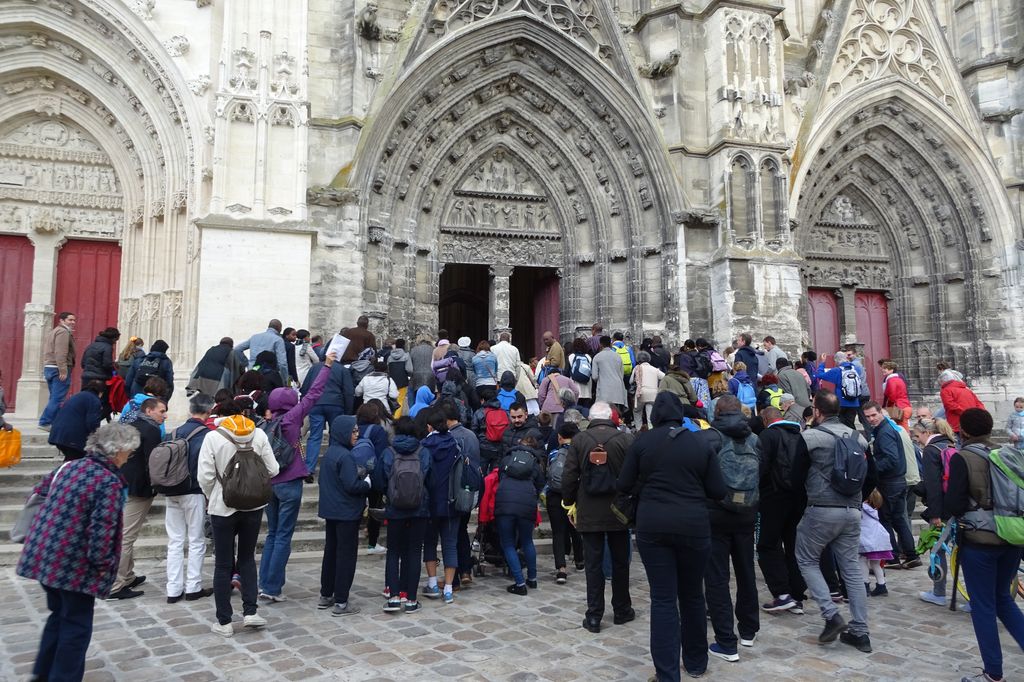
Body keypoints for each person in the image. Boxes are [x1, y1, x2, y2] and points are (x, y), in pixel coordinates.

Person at [17, 423, 137, 682]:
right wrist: (104, 565)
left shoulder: (70, 466)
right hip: (74, 566)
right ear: (118, 451)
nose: (129, 457)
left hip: (45, 555)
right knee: (76, 627)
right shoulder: (109, 481)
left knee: (58, 618)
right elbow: (102, 530)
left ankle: (43, 673)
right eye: (129, 451)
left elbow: (39, 494)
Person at [617, 392, 726, 680]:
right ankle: (695, 660)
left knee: (663, 599)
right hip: (693, 524)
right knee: (692, 595)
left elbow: (624, 483)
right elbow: (718, 490)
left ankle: (667, 673)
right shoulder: (700, 443)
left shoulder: (643, 442)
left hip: (653, 525)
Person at [945, 408, 1024, 682]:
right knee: (1003, 598)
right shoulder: (1010, 453)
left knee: (984, 607)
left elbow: (953, 504)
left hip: (979, 542)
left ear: (964, 431)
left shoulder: (963, 458)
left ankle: (993, 672)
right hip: (1012, 536)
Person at [796, 392, 873, 653]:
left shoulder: (809, 438)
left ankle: (831, 615)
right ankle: (860, 632)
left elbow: (794, 475)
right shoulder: (858, 438)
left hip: (821, 508)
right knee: (851, 568)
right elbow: (870, 475)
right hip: (852, 509)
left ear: (817, 411)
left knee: (806, 559)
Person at [259, 351, 336, 601]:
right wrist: (326, 366)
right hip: (290, 481)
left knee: (272, 534)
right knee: (283, 535)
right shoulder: (292, 419)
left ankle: (265, 582)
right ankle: (272, 587)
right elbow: (314, 394)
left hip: (269, 483)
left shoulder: (265, 424)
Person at [197, 409, 279, 636]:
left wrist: (212, 494)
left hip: (222, 507)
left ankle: (224, 621)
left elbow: (204, 476)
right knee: (247, 558)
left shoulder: (213, 437)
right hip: (253, 507)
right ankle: (250, 612)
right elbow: (273, 469)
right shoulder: (259, 435)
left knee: (223, 564)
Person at [561, 401, 635, 633]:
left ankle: (594, 615)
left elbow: (569, 476)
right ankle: (622, 609)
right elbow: (635, 474)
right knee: (620, 563)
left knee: (593, 566)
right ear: (611, 417)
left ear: (590, 418)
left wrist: (569, 503)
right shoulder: (625, 439)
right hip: (618, 511)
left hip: (589, 510)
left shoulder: (580, 440)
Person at [705, 396, 760, 663]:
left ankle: (726, 641)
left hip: (716, 513)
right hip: (747, 513)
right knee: (746, 571)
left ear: (716, 412)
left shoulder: (711, 438)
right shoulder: (754, 439)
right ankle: (748, 630)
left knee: (717, 578)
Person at [106, 397, 166, 600]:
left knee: (125, 532)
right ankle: (115, 584)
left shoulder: (130, 424)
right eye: (161, 411)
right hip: (139, 487)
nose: (164, 415)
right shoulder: (151, 431)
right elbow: (155, 462)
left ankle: (127, 575)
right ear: (149, 411)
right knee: (126, 536)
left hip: (124, 482)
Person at [757, 406, 810, 614]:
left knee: (767, 545)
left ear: (765, 420)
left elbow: (761, 467)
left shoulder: (768, 436)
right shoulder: (800, 436)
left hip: (773, 498)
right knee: (792, 544)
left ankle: (781, 593)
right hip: (798, 498)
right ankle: (796, 593)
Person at [316, 414, 370, 615]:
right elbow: (352, 485)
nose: (357, 434)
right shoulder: (346, 456)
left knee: (330, 552)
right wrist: (367, 483)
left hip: (332, 511)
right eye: (353, 431)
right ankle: (341, 600)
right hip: (346, 512)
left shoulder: (331, 453)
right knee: (346, 556)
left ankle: (326, 593)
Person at [165, 393, 215, 603]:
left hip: (171, 490)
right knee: (196, 540)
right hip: (194, 491)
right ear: (209, 411)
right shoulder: (206, 435)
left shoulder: (173, 433)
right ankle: (193, 586)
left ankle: (173, 589)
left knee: (175, 541)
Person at [378, 416, 431, 613]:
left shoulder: (389, 452)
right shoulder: (423, 452)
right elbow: (429, 478)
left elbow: (381, 479)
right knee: (415, 552)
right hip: (419, 508)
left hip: (395, 508)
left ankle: (393, 597)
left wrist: (390, 495)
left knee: (393, 552)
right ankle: (411, 599)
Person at [861, 401, 920, 568]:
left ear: (881, 412)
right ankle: (911, 555)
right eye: (868, 417)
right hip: (897, 481)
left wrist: (872, 468)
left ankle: (893, 556)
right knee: (898, 519)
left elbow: (891, 459)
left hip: (891, 482)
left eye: (873, 415)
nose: (871, 419)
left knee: (886, 518)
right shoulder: (886, 429)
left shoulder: (885, 432)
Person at [421, 408, 464, 604]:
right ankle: (448, 588)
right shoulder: (455, 445)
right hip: (451, 501)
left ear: (429, 426)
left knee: (429, 542)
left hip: (430, 503)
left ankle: (431, 582)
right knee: (450, 544)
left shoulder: (424, 446)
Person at [914, 415, 958, 606]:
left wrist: (934, 514)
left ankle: (939, 592)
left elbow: (933, 485)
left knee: (937, 548)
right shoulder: (950, 445)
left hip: (942, 509)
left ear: (927, 433)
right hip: (955, 505)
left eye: (917, 436)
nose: (917, 440)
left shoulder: (931, 450)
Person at [495, 436, 546, 595]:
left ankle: (519, 583)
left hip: (506, 502)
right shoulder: (536, 463)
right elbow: (540, 485)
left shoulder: (508, 458)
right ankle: (532, 578)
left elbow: (499, 477)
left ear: (518, 445)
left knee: (508, 543)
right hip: (527, 503)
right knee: (527, 541)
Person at [302, 353, 354, 477]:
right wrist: (348, 411)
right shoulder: (342, 369)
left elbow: (305, 388)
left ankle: (309, 468)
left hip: (316, 403)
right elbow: (348, 391)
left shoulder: (314, 368)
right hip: (336, 404)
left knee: (315, 436)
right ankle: (332, 467)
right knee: (335, 436)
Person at [547, 422, 584, 582]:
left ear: (559, 437)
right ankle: (580, 560)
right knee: (575, 528)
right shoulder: (581, 453)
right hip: (575, 495)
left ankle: (561, 568)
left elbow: (548, 472)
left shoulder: (554, 453)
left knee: (558, 532)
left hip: (555, 495)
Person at [48, 380, 106, 461]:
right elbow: (92, 423)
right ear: (101, 392)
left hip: (58, 433)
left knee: (71, 461)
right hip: (72, 437)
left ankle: (63, 472)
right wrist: (98, 437)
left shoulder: (77, 396)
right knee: (74, 461)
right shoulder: (94, 400)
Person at [39, 311, 77, 430]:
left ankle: (54, 422)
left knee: (54, 397)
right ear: (61, 320)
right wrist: (63, 370)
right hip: (57, 368)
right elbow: (61, 352)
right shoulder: (63, 332)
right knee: (58, 397)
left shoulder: (54, 331)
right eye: (70, 320)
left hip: (50, 368)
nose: (73, 322)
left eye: (74, 320)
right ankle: (45, 422)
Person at [815, 351, 863, 429]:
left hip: (841, 402)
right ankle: (852, 439)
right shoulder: (855, 368)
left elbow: (820, 375)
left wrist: (822, 363)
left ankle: (843, 439)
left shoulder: (837, 371)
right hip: (854, 402)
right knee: (850, 424)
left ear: (836, 360)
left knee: (840, 425)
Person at [860, 489, 893, 597]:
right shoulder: (874, 511)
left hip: (868, 540)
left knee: (862, 560)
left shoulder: (862, 508)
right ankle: (881, 585)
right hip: (880, 539)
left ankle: (865, 585)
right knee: (876, 564)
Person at [235, 319, 288, 384]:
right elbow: (282, 363)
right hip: (268, 374)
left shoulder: (255, 337)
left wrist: (247, 363)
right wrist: (285, 379)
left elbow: (237, 349)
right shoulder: (278, 340)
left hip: (252, 369)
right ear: (279, 328)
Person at [939, 368, 986, 436]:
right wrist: (976, 416)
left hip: (957, 425)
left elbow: (951, 405)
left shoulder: (946, 390)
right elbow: (979, 405)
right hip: (973, 424)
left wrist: (967, 414)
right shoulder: (967, 390)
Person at [630, 351, 665, 430]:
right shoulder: (654, 369)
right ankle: (651, 429)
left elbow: (631, 381)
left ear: (638, 359)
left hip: (641, 392)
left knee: (637, 411)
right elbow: (664, 377)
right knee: (650, 414)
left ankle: (639, 429)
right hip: (653, 393)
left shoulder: (637, 368)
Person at [592, 336, 627, 411]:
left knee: (604, 413)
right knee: (616, 413)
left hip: (604, 389)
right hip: (618, 389)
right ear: (611, 343)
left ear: (600, 344)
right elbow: (621, 374)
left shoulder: (597, 357)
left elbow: (594, 376)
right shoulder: (618, 357)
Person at [880, 360, 912, 428]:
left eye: (885, 368)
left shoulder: (891, 380)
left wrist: (887, 408)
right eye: (882, 368)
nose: (882, 370)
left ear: (891, 370)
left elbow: (892, 396)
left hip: (898, 408)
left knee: (901, 430)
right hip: (905, 406)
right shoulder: (899, 379)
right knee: (902, 428)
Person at [567, 338, 593, 407]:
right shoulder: (588, 357)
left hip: (575, 388)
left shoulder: (571, 357)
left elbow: (566, 373)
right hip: (587, 390)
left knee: (575, 411)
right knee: (586, 411)